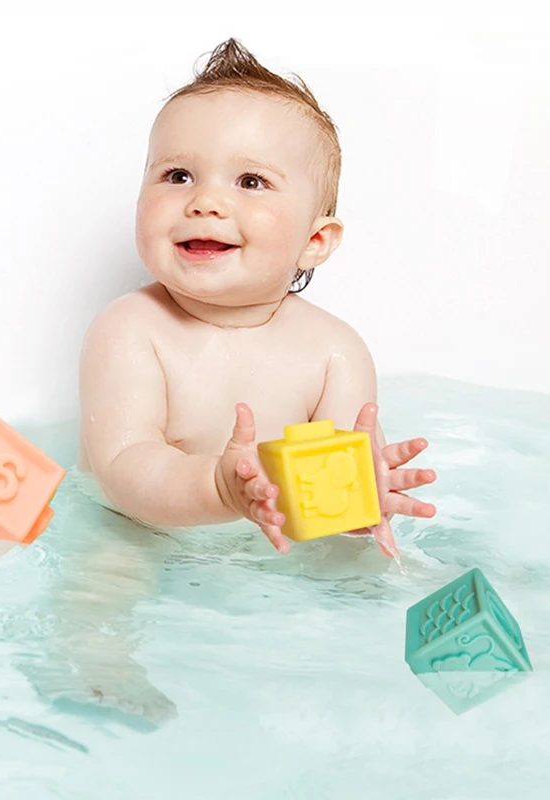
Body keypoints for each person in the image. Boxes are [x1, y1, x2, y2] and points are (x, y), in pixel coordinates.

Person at [77, 37, 437, 560]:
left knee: (376, 570)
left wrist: (363, 505)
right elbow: (123, 468)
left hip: (276, 549)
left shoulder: (333, 352)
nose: (205, 201)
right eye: (178, 175)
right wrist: (218, 488)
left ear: (315, 241)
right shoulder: (130, 329)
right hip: (140, 537)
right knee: (104, 580)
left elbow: (338, 493)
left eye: (250, 181)